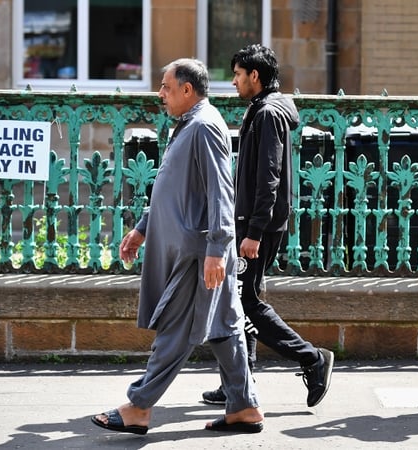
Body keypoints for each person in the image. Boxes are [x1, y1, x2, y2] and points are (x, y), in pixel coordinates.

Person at [91, 58, 264, 435]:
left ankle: (139, 406)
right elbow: (174, 187)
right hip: (200, 248)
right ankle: (244, 406)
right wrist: (142, 229)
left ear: (187, 90)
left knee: (175, 328)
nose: (160, 94)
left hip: (198, 252)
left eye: (166, 87)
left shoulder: (204, 126)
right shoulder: (190, 124)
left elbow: (221, 191)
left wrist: (216, 249)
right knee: (225, 327)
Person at [201, 44, 334, 408]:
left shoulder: (268, 114)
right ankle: (239, 382)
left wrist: (254, 232)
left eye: (238, 75)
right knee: (240, 299)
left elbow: (269, 176)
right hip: (250, 223)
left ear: (255, 76)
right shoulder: (262, 109)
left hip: (256, 227)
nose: (233, 82)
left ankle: (311, 358)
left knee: (245, 301)